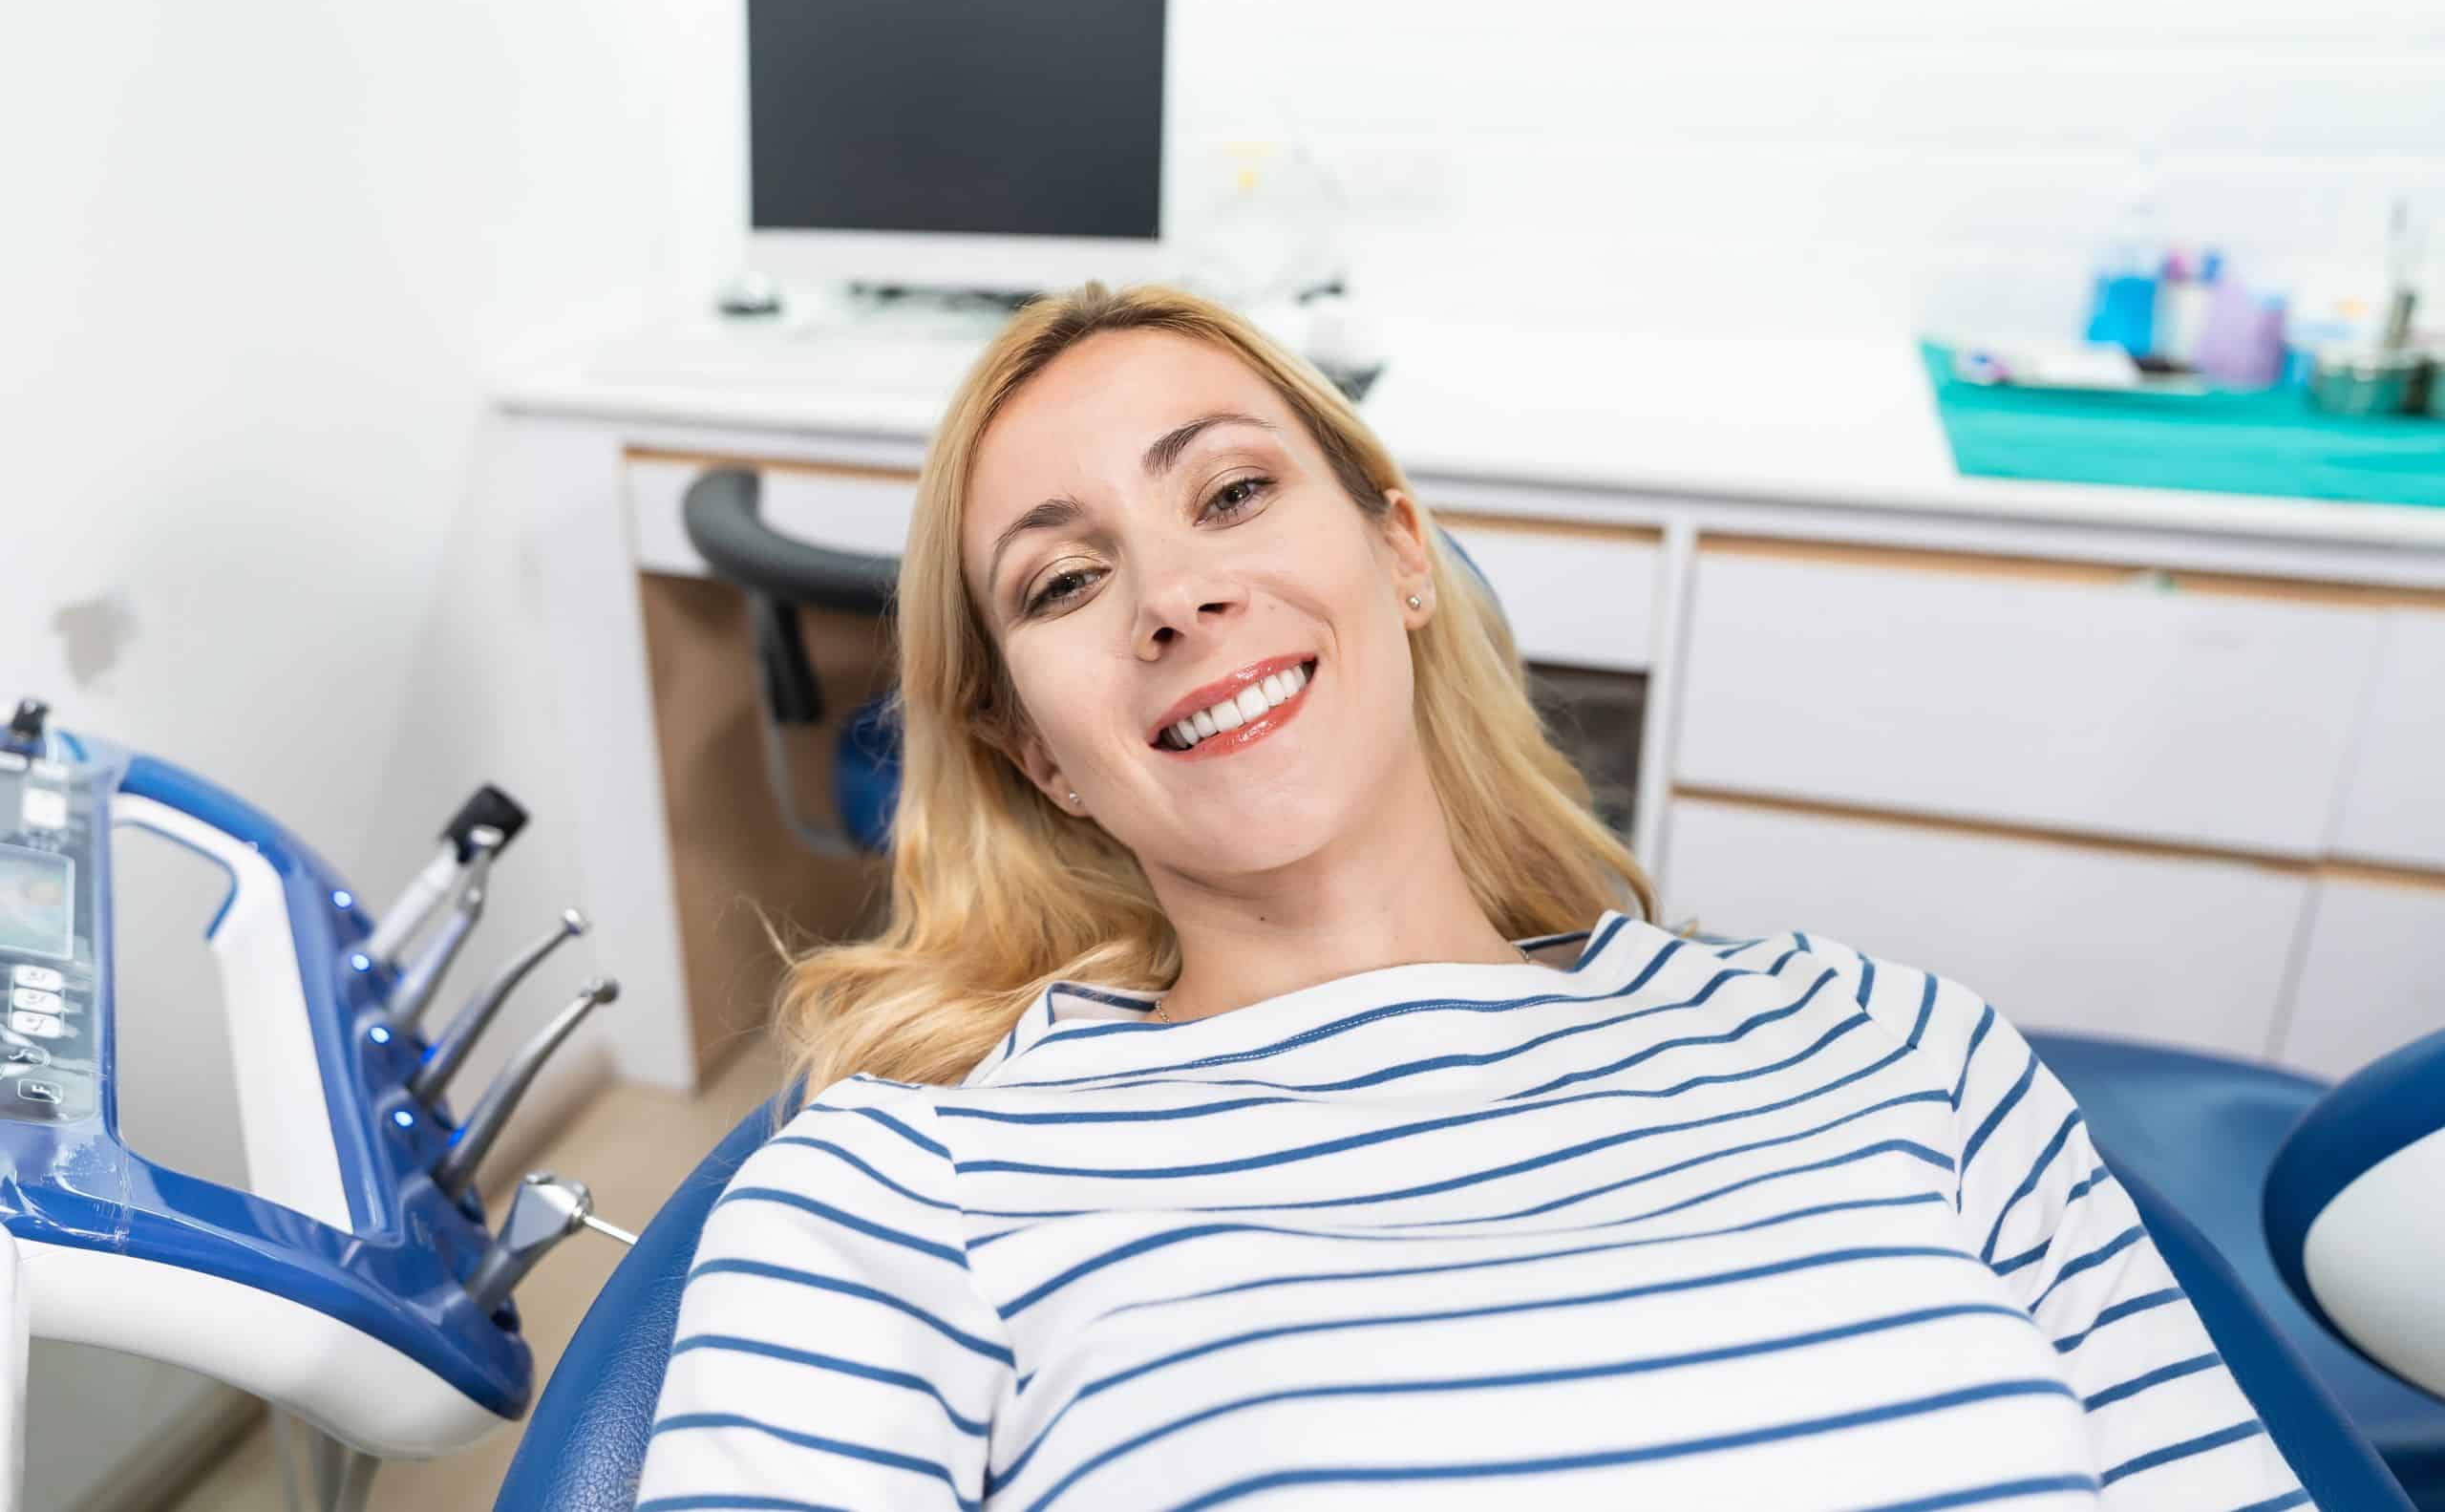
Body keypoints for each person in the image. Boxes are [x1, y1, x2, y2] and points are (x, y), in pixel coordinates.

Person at [635, 283, 2305, 1510]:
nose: (1175, 597)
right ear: (1038, 755)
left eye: (1232, 493)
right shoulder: (899, 1193)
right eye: (1067, 580)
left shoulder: (1888, 1041)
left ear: (1403, 553)